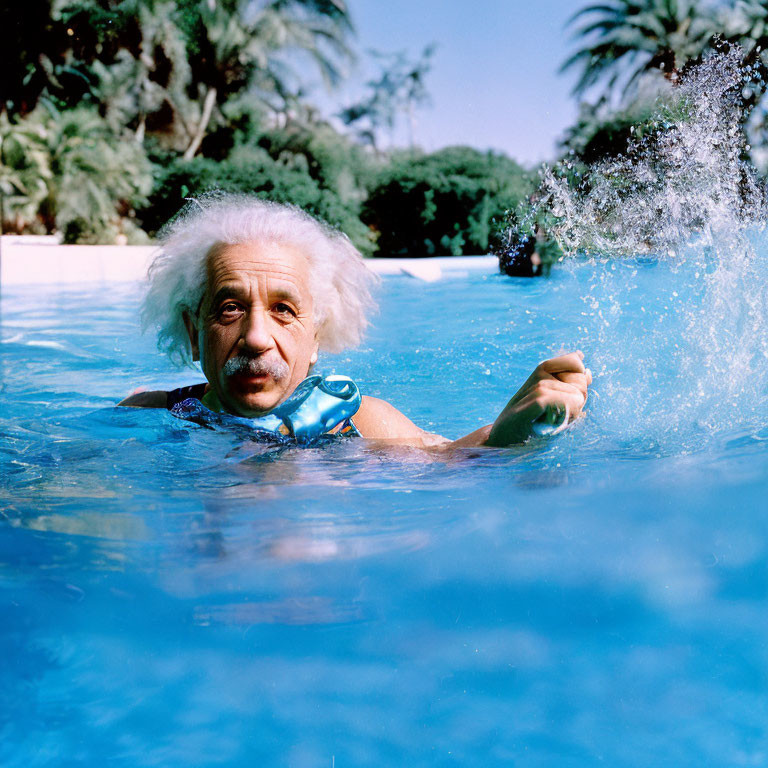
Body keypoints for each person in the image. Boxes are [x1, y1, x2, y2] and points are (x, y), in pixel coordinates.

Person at [121, 195, 591, 447]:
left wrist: (509, 432)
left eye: (284, 310)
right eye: (229, 308)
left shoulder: (357, 422)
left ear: (317, 336)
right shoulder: (148, 416)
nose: (256, 337)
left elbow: (452, 461)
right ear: (192, 330)